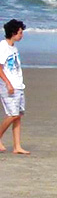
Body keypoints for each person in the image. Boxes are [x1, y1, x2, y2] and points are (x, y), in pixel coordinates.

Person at [0, 18, 29, 155]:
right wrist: (8, 83)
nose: (21, 35)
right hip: (9, 86)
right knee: (12, 114)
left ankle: (17, 146)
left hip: (18, 85)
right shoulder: (3, 46)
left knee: (18, 116)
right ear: (13, 33)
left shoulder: (14, 48)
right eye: (20, 32)